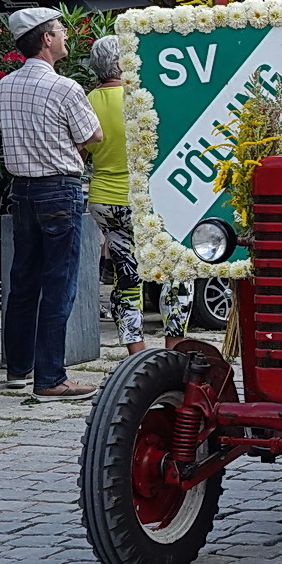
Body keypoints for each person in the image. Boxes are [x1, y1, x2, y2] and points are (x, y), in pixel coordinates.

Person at [0, 7, 101, 400]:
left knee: (23, 281)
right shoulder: (66, 88)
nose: (64, 37)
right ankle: (51, 376)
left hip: (21, 189)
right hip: (58, 187)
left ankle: (19, 367)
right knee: (59, 283)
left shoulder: (7, 84)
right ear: (45, 39)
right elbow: (94, 135)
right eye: (59, 31)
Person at [84, 36, 194, 355]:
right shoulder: (145, 97)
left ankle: (138, 356)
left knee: (127, 277)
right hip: (149, 201)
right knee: (177, 274)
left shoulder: (88, 100)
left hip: (105, 199)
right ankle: (174, 350)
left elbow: (84, 149)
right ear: (123, 63)